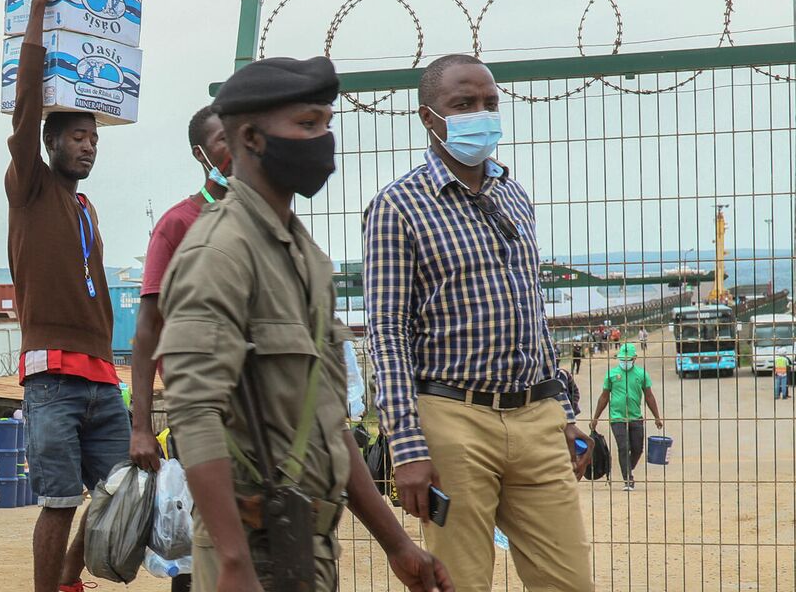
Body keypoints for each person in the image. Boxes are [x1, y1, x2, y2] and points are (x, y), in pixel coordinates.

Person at [161, 57, 450, 592]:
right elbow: (193, 413)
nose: (323, 139)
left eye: (326, 123)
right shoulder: (218, 251)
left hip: (307, 545)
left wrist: (398, 546)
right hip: (251, 548)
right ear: (250, 137)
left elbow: (331, 426)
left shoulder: (305, 257)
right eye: (307, 124)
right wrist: (231, 560)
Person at [364, 54, 595, 592]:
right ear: (429, 117)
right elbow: (387, 333)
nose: (481, 115)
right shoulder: (398, 207)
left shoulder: (512, 195)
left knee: (570, 581)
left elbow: (531, 312)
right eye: (462, 105)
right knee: (461, 582)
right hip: (453, 420)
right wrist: (407, 447)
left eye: (489, 103)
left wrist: (562, 412)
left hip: (536, 415)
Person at [4, 0, 124, 592]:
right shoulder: (29, 185)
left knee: (123, 491)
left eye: (95, 138)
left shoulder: (85, 207)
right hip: (51, 375)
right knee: (58, 501)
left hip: (104, 376)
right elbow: (26, 109)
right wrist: (40, 9)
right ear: (52, 144)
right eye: (77, 135)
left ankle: (72, 576)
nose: (88, 144)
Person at [130, 103, 234, 478]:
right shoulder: (176, 226)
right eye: (224, 139)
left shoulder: (262, 222)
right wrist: (141, 428)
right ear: (200, 154)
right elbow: (147, 332)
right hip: (201, 410)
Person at [589, 343, 665, 492]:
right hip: (617, 418)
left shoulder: (641, 374)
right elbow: (604, 397)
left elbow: (649, 396)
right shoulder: (611, 374)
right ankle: (628, 479)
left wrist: (657, 417)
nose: (624, 362)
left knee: (637, 449)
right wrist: (595, 417)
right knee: (623, 447)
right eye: (622, 359)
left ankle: (627, 467)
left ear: (634, 358)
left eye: (627, 359)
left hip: (635, 417)